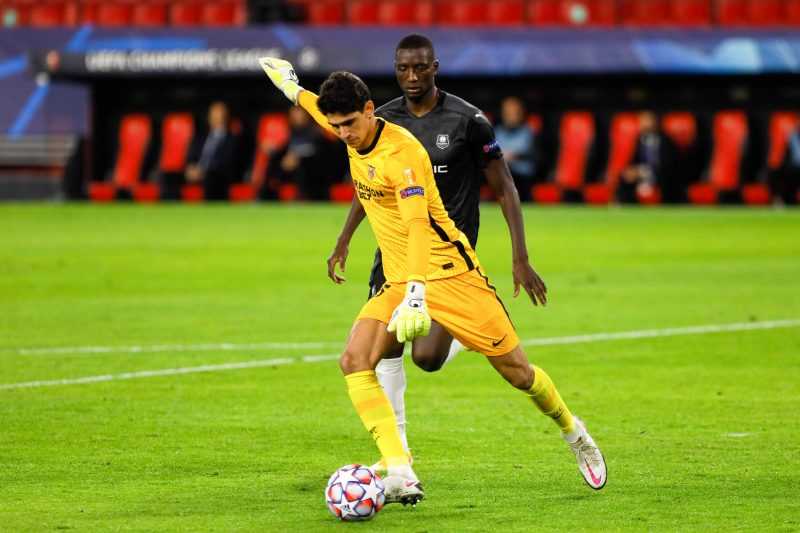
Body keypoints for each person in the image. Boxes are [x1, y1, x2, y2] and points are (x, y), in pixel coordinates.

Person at [260, 57, 608, 504]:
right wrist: (290, 86)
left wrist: (418, 296)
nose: (342, 134)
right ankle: (399, 466)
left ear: (370, 111)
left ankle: (573, 430)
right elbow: (314, 106)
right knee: (354, 359)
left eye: (348, 123)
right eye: (336, 126)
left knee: (519, 374)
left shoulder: (401, 155)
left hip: (451, 274)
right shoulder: (349, 130)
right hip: (399, 278)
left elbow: (419, 227)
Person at [325, 34, 545, 473]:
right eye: (403, 69)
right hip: (393, 253)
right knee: (381, 351)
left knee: (425, 358)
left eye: (419, 68)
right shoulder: (380, 119)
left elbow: (504, 187)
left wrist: (520, 256)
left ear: (435, 68)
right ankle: (398, 458)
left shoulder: (469, 121)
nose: (411, 76)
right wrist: (345, 237)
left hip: (446, 259)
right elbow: (367, 185)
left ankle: (464, 334)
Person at [262, 106, 347, 201]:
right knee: (273, 163)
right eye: (294, 114)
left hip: (314, 171)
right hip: (290, 168)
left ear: (306, 115)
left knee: (303, 167)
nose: (296, 116)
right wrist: (275, 151)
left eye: (299, 113)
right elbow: (285, 150)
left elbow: (322, 152)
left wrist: (298, 157)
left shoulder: (316, 132)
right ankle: (266, 198)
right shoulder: (289, 132)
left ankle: (303, 198)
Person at [618, 110, 680, 204]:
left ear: (655, 122)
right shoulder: (640, 140)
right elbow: (635, 160)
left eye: (647, 121)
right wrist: (632, 170)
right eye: (641, 121)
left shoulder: (666, 140)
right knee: (625, 177)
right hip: (642, 174)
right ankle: (626, 207)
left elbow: (668, 164)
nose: (644, 124)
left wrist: (645, 171)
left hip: (661, 174)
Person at [184, 101, 238, 201]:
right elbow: (192, 156)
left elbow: (227, 161)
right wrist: (191, 167)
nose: (216, 119)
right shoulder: (200, 137)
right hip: (197, 173)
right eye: (213, 116)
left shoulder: (232, 139)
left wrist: (203, 171)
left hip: (217, 177)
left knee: (212, 179)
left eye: (219, 116)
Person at [494, 96, 537, 200]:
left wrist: (515, 156)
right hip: (500, 176)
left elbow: (534, 155)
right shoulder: (496, 132)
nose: (510, 117)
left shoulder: (528, 132)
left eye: (514, 113)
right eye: (507, 113)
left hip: (522, 176)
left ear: (521, 114)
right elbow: (486, 149)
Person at [771, 122, 800, 205]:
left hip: (794, 168)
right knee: (776, 170)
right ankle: (779, 200)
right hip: (792, 168)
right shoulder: (791, 136)